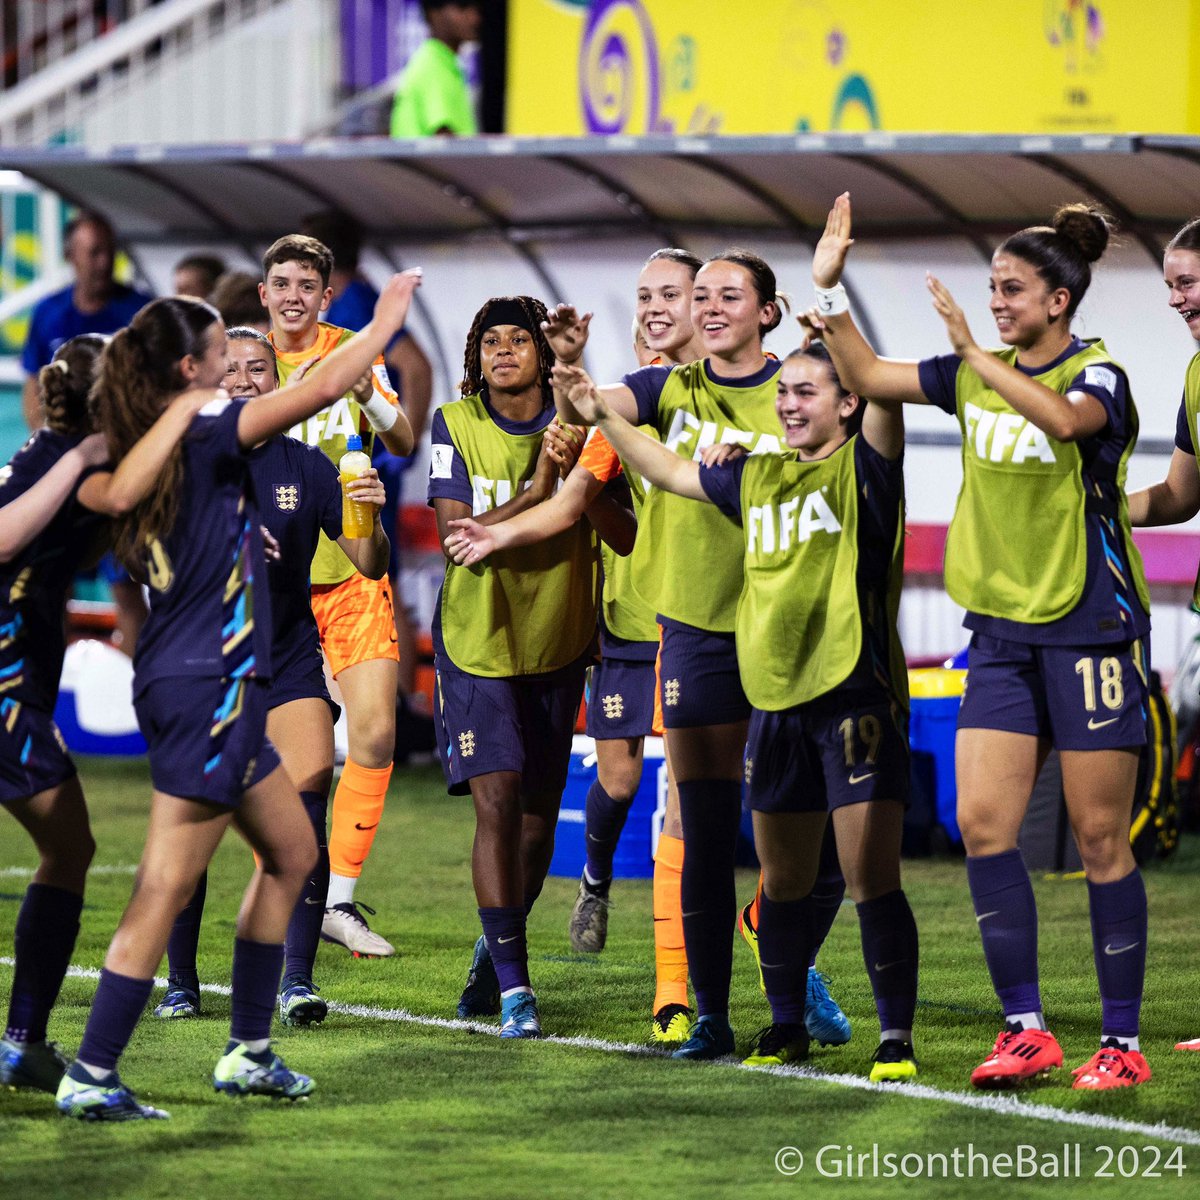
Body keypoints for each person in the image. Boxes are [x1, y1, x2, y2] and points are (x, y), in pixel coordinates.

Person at [54, 273, 420, 1122]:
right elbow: (328, 383)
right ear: (190, 368)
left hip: (219, 685)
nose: (239, 368)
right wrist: (387, 320)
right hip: (207, 685)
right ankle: (94, 1068)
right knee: (165, 881)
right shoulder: (204, 427)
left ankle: (250, 1050)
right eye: (223, 354)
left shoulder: (163, 438)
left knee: (292, 853)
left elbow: (108, 496)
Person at [810, 193, 1152, 1091]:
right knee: (983, 826)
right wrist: (830, 285)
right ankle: (1026, 1029)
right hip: (998, 633)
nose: (996, 301)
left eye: (1012, 289)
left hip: (1090, 628)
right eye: (991, 288)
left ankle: (1121, 1043)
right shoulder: (975, 371)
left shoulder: (1102, 374)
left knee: (1099, 834)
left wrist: (970, 355)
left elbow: (1068, 421)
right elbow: (872, 376)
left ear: (1058, 302)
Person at [549, 332, 920, 1080]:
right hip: (778, 703)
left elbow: (883, 393)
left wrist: (837, 303)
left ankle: (895, 1040)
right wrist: (603, 416)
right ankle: (785, 1026)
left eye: (806, 392)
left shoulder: (868, 467)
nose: (788, 403)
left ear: (848, 403)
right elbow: (671, 471)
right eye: (784, 393)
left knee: (867, 874)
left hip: (856, 700)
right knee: (780, 881)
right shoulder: (757, 475)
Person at [545, 249, 801, 1060]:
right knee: (702, 824)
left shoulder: (798, 385)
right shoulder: (665, 390)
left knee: (802, 835)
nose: (703, 306)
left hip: (786, 622)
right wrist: (569, 372)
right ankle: (709, 1015)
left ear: (768, 310)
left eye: (724, 295)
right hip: (691, 626)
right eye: (697, 295)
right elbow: (596, 409)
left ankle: (790, 1005)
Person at [446, 250, 705, 1046]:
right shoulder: (474, 424)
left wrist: (582, 483)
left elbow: (609, 524)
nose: (656, 308)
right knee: (606, 793)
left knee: (711, 812)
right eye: (645, 295)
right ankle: (563, 970)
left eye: (674, 295)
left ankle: (775, 962)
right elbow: (552, 510)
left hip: (650, 632)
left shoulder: (738, 400)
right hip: (581, 633)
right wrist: (549, 490)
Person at [0, 334, 249, 1094]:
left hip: (18, 691)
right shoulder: (64, 463)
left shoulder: (58, 459)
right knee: (69, 849)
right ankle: (24, 1040)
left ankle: (24, 1042)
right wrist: (79, 463)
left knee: (69, 847)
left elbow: (135, 553)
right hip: (4, 694)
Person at [152, 328, 392, 1027]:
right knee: (193, 819)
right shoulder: (178, 461)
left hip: (285, 661)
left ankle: (295, 980)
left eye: (259, 368)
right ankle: (182, 982)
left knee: (307, 798)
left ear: (278, 379)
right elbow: (140, 559)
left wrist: (368, 513)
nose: (244, 379)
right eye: (230, 370)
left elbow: (370, 562)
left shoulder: (309, 466)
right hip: (204, 665)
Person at [429, 295, 598, 1038]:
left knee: (535, 828)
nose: (503, 351)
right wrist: (533, 496)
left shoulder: (579, 422)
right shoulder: (453, 423)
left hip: (558, 635)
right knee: (495, 805)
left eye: (518, 340)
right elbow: (452, 533)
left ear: (541, 352)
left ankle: (492, 950)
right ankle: (518, 991)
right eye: (490, 340)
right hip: (479, 639)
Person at [260, 234, 415, 958]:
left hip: (353, 565)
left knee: (377, 734)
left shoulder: (354, 350)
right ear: (263, 292)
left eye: (307, 285)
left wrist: (370, 403)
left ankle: (339, 904)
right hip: (274, 584)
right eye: (281, 282)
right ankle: (285, 888)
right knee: (292, 765)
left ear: (326, 296)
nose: (293, 295)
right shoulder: (245, 362)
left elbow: (406, 435)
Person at [299, 211, 436, 732]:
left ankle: (396, 705)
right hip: (347, 466)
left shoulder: (353, 302)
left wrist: (401, 447)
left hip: (359, 468)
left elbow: (416, 366)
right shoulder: (357, 295)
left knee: (374, 580)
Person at [1126, 216, 1200, 1057]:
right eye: (1172, 284)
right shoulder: (1194, 372)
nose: (1177, 298)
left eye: (1187, 282)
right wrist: (1105, 503)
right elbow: (1183, 493)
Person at [20, 212, 154, 431]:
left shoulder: (142, 311)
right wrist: (44, 437)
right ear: (70, 255)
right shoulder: (47, 312)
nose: (105, 262)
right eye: (95, 253)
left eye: (110, 251)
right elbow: (33, 381)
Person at [390, 1, 480, 138]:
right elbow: (444, 145)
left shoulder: (443, 62)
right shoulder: (432, 64)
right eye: (462, 7)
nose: (474, 17)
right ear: (434, 14)